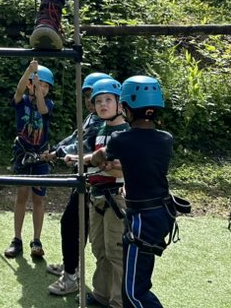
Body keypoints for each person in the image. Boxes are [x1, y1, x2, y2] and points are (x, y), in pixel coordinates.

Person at [92, 75, 174, 308]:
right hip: (162, 214)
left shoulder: (121, 139)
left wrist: (102, 160)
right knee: (138, 282)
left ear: (126, 108)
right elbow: (143, 160)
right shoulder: (166, 139)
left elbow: (100, 156)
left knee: (133, 292)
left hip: (142, 219)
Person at [43, 71, 110, 296]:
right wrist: (56, 149)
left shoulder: (104, 123)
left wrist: (60, 152)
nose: (93, 103)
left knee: (71, 224)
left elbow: (84, 144)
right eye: (90, 98)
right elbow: (75, 137)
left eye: (99, 98)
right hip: (84, 178)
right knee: (77, 226)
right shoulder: (92, 117)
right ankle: (71, 265)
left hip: (94, 183)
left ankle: (71, 277)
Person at [85, 77, 129, 308]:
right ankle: (101, 293)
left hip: (116, 197)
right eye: (99, 101)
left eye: (108, 100)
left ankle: (118, 301)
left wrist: (111, 167)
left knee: (115, 251)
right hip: (97, 196)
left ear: (120, 105)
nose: (103, 105)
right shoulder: (100, 129)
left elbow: (130, 166)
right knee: (99, 248)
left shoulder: (126, 132)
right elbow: (95, 160)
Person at [5, 60, 54, 260]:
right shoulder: (22, 101)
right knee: (22, 195)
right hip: (23, 153)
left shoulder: (48, 104)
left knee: (38, 198)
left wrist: (38, 89)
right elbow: (18, 90)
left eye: (45, 86)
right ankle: (17, 239)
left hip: (41, 155)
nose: (42, 88)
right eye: (38, 84)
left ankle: (36, 240)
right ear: (30, 85)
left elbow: (42, 109)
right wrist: (29, 72)